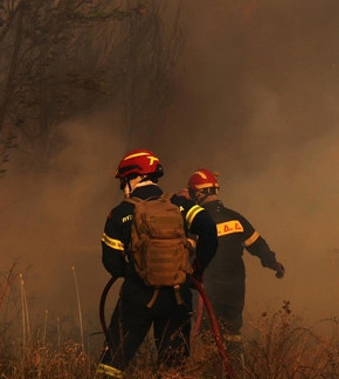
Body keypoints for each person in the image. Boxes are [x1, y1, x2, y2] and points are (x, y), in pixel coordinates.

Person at [97, 149, 218, 378]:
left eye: (124, 181)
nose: (123, 187)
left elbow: (111, 263)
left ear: (134, 177)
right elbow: (209, 230)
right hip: (177, 297)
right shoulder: (180, 204)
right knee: (174, 369)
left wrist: (136, 272)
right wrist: (196, 269)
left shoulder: (120, 212)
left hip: (137, 298)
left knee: (112, 364)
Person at [186, 168, 284, 351]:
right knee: (232, 333)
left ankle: (213, 370)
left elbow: (184, 251)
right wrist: (274, 264)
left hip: (208, 288)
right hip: (235, 288)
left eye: (192, 194)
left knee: (210, 335)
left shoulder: (197, 222)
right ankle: (236, 367)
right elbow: (258, 246)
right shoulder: (236, 218)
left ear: (198, 193)